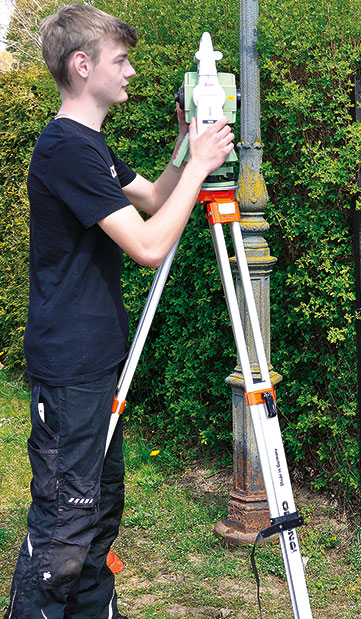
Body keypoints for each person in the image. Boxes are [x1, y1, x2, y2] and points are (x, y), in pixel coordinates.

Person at [3, 4, 234, 618]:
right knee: (64, 528)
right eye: (121, 60)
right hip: (71, 367)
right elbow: (150, 246)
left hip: (95, 363)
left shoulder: (90, 147)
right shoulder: (65, 150)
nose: (131, 71)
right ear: (83, 66)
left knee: (97, 514)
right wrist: (205, 167)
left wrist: (187, 149)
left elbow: (157, 196)